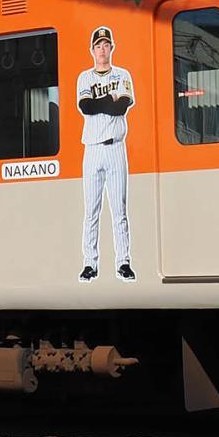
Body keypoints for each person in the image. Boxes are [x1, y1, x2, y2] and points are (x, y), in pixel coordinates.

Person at [76, 25, 136, 282]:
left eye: (105, 44)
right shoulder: (84, 77)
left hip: (115, 148)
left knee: (119, 209)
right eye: (98, 45)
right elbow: (86, 107)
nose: (102, 49)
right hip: (92, 149)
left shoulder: (123, 74)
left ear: (112, 47)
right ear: (92, 50)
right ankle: (90, 263)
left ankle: (123, 262)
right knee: (91, 210)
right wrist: (107, 101)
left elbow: (121, 107)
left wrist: (106, 103)